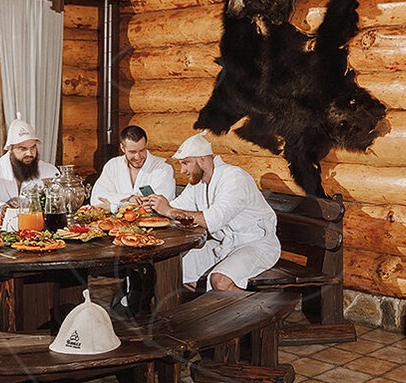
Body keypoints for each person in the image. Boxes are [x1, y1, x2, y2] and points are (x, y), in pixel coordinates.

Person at [142, 133, 279, 293]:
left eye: (185, 163)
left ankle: (263, 306)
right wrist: (156, 207)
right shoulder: (197, 184)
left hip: (256, 245)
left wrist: (169, 210)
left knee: (220, 281)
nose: (182, 170)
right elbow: (175, 208)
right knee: (174, 269)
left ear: (202, 159)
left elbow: (212, 219)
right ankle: (209, 306)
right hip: (224, 245)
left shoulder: (234, 178)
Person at [0, 118, 59, 207]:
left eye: (33, 147)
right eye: (23, 149)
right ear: (10, 148)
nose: (29, 153)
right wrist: (1, 208)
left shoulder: (50, 171)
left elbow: (59, 201)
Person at [91, 125, 175, 212]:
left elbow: (158, 206)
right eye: (132, 152)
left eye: (142, 150)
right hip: (115, 220)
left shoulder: (163, 167)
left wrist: (114, 206)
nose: (138, 157)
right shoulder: (113, 165)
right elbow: (96, 199)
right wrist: (129, 198)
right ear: (122, 148)